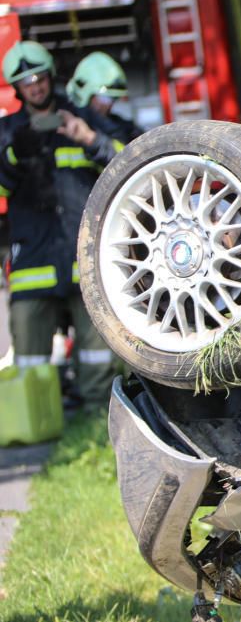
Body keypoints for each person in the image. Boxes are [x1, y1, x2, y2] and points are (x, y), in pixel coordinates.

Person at [0, 41, 125, 411]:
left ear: (50, 76)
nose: (35, 87)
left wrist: (89, 139)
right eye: (26, 82)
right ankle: (36, 420)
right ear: (17, 89)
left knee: (97, 356)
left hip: (82, 258)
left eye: (39, 78)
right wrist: (12, 155)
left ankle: (95, 422)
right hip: (33, 265)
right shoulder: (8, 131)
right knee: (31, 362)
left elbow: (128, 162)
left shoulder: (82, 116)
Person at [66, 51, 142, 142]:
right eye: (105, 98)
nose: (110, 105)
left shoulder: (126, 130)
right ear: (84, 94)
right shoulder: (65, 130)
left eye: (113, 99)